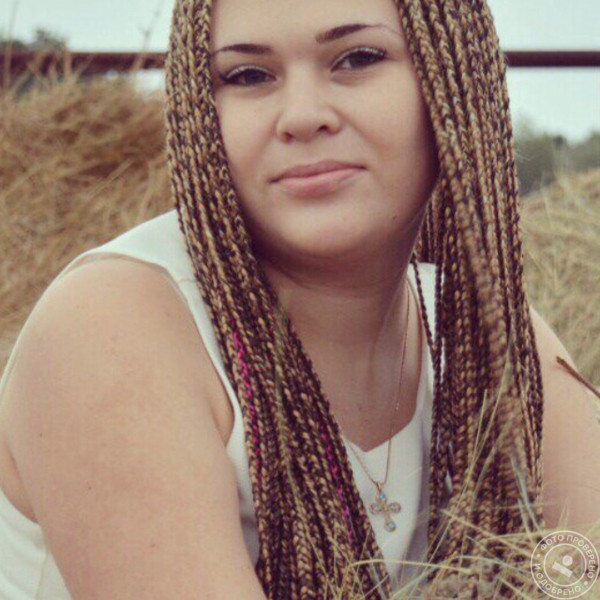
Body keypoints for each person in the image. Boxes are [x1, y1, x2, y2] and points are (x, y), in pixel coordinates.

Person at [1, 0, 599, 599]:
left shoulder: (492, 346)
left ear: (455, 79)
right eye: (248, 75)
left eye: (357, 58)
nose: (302, 117)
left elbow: (581, 571)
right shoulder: (110, 327)